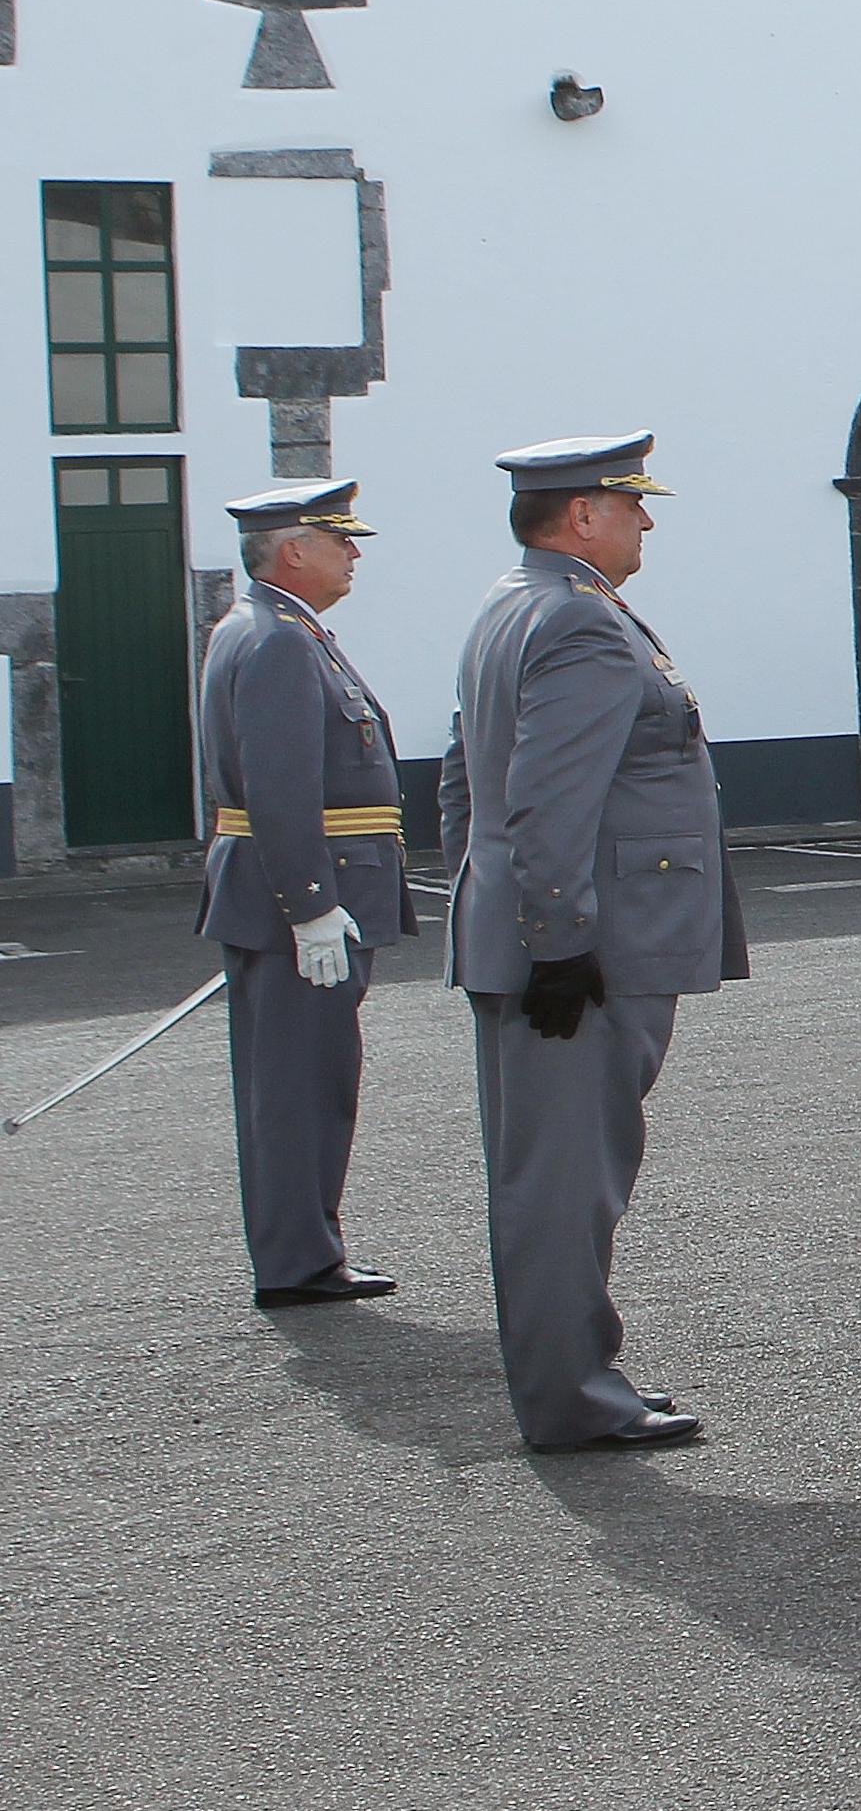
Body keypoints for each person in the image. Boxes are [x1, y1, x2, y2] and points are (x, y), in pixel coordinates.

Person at [447, 431, 740, 1450]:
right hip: (585, 948)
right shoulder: (575, 620)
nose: (646, 519)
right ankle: (572, 1397)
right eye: (631, 502)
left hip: (543, 931)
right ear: (581, 516)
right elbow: (548, 796)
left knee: (553, 1176)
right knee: (567, 1182)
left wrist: (497, 904)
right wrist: (558, 939)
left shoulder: (517, 602)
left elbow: (465, 782)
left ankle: (571, 1380)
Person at [194, 480, 411, 1310]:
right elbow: (280, 785)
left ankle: (304, 1251)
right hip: (303, 897)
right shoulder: (280, 640)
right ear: (293, 550)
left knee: (302, 1081)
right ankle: (297, 1262)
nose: (353, 553)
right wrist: (311, 904)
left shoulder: (275, 629)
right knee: (300, 1086)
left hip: (293, 889)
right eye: (339, 539)